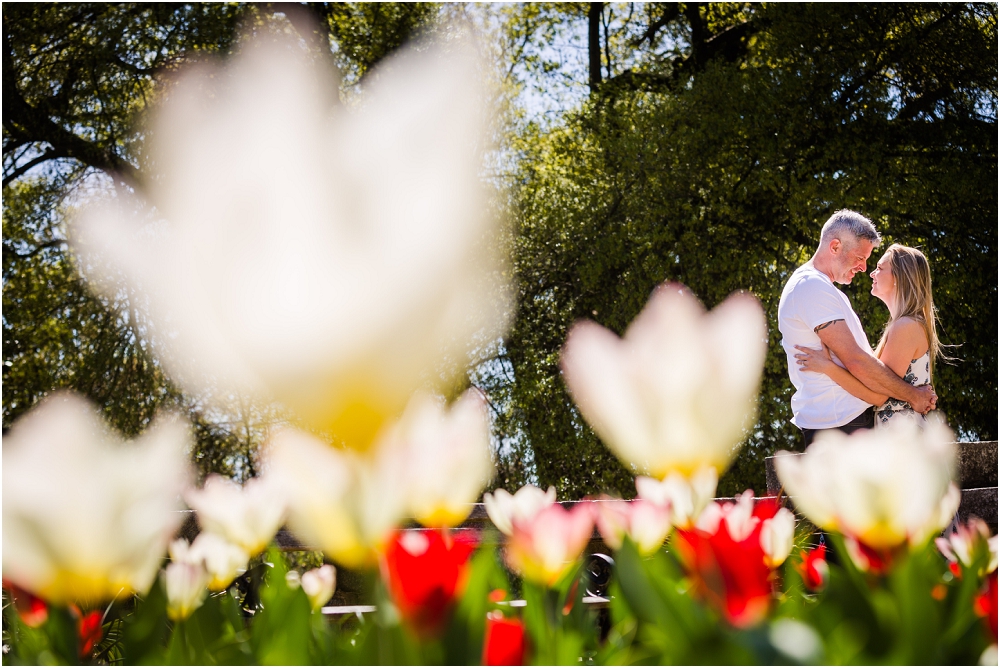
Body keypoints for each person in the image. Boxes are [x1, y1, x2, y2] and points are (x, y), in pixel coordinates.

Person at [777, 210, 935, 448]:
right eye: (860, 257)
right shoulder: (811, 286)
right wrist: (913, 395)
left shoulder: (826, 290)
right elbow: (856, 361)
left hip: (846, 423)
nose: (864, 268)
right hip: (839, 425)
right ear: (835, 247)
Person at [795, 243, 943, 428]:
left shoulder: (905, 327)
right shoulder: (906, 324)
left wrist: (827, 367)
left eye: (880, 268)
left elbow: (877, 396)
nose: (872, 273)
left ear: (899, 277)